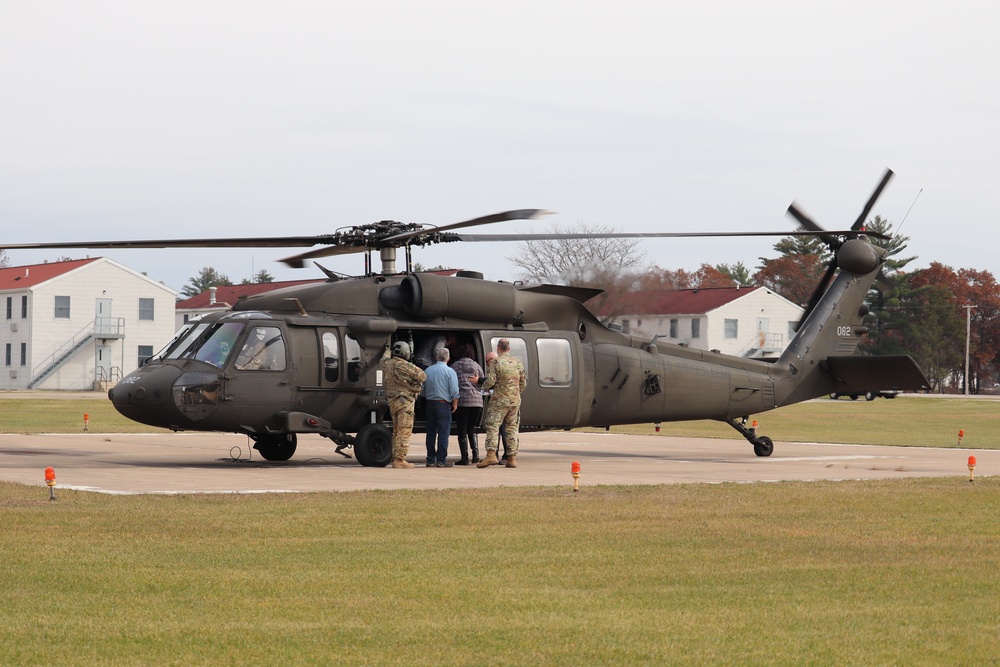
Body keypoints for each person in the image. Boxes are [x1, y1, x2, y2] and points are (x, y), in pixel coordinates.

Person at [478, 338, 526, 468]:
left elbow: (490, 380)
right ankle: (511, 458)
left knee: (493, 426)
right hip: (514, 401)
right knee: (512, 428)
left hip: (499, 400)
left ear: (498, 348)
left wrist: (483, 389)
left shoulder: (496, 362)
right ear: (509, 349)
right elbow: (523, 383)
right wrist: (515, 393)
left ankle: (491, 455)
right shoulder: (517, 363)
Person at [381, 341, 426, 469]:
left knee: (396, 431)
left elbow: (383, 358)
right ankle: (400, 459)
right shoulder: (405, 366)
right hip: (405, 402)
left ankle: (395, 457)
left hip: (393, 402)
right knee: (404, 431)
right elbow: (423, 376)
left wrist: (387, 349)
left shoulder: (387, 364)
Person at [422, 346, 460, 467]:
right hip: (443, 404)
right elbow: (454, 390)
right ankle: (441, 460)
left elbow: (422, 390)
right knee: (443, 433)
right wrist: (455, 403)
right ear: (448, 358)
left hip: (430, 404)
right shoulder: (450, 371)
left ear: (436, 357)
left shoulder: (428, 371)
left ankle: (430, 459)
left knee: (431, 432)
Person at [450, 343, 484, 465]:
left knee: (462, 430)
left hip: (463, 401)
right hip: (477, 402)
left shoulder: (455, 366)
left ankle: (464, 457)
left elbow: (452, 383)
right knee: (472, 428)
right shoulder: (477, 366)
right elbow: (482, 383)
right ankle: (476, 454)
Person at [482, 351, 509, 461]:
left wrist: (482, 387)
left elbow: (490, 382)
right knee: (505, 430)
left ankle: (498, 455)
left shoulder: (496, 366)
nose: (487, 364)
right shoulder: (509, 365)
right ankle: (507, 456)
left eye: (487, 361)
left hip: (499, 403)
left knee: (497, 429)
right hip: (510, 402)